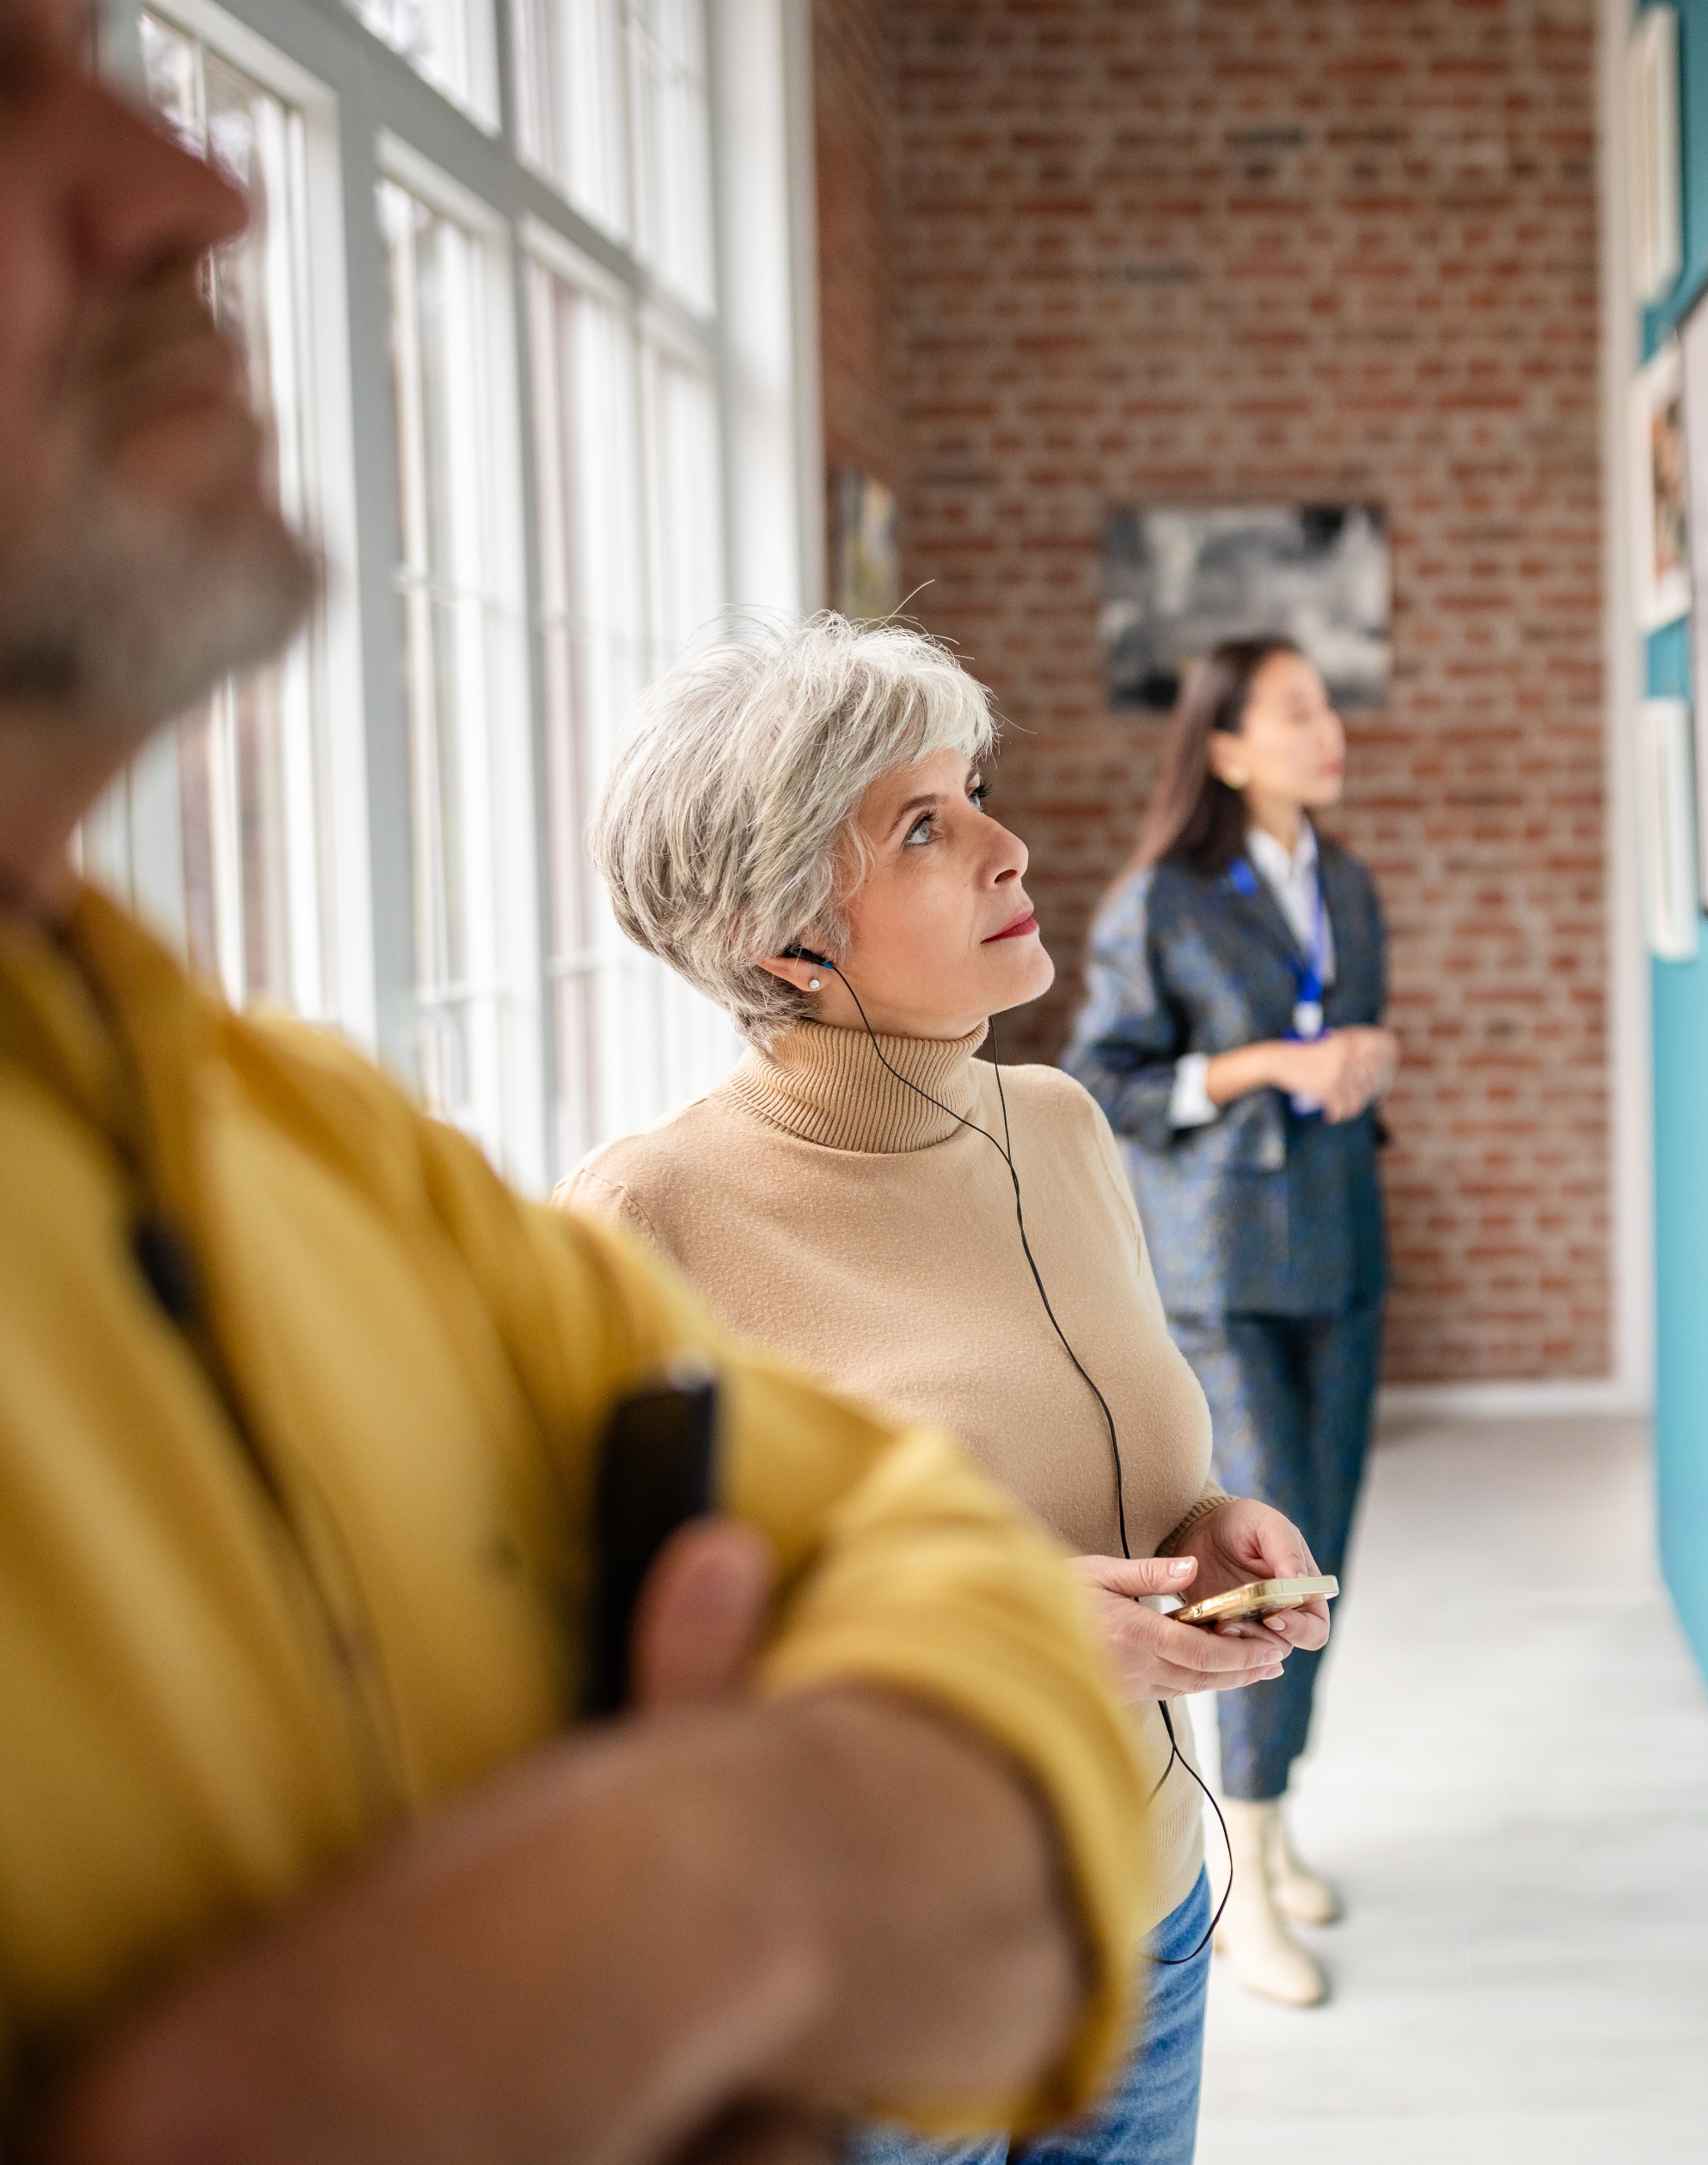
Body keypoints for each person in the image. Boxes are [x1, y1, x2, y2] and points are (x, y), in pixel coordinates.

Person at [0, 4, 1154, 2158]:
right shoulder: (598, 1201)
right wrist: (814, 1847)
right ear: (780, 924)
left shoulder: (306, 1145)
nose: (200, 187)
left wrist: (693, 1885)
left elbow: (986, 1653)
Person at [554, 612, 1336, 2164]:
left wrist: (1206, 1529)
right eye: (927, 824)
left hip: (1146, 1926)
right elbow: (602, 1671)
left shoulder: (1057, 1125)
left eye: (973, 789)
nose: (1009, 844)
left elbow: (1096, 1460)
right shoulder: (647, 1219)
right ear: (788, 934)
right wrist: (998, 1632)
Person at [1064, 636, 1401, 2009]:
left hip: (1341, 1251)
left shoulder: (1350, 883)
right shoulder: (1165, 899)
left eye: (1328, 705)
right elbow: (1107, 1076)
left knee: (1326, 1561)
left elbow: (1346, 1032)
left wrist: (1358, 1062)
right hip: (1222, 1266)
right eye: (1299, 709)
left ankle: (1271, 1819)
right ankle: (1236, 1880)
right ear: (1225, 747)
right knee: (1260, 1566)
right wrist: (1266, 1060)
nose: (1330, 728)